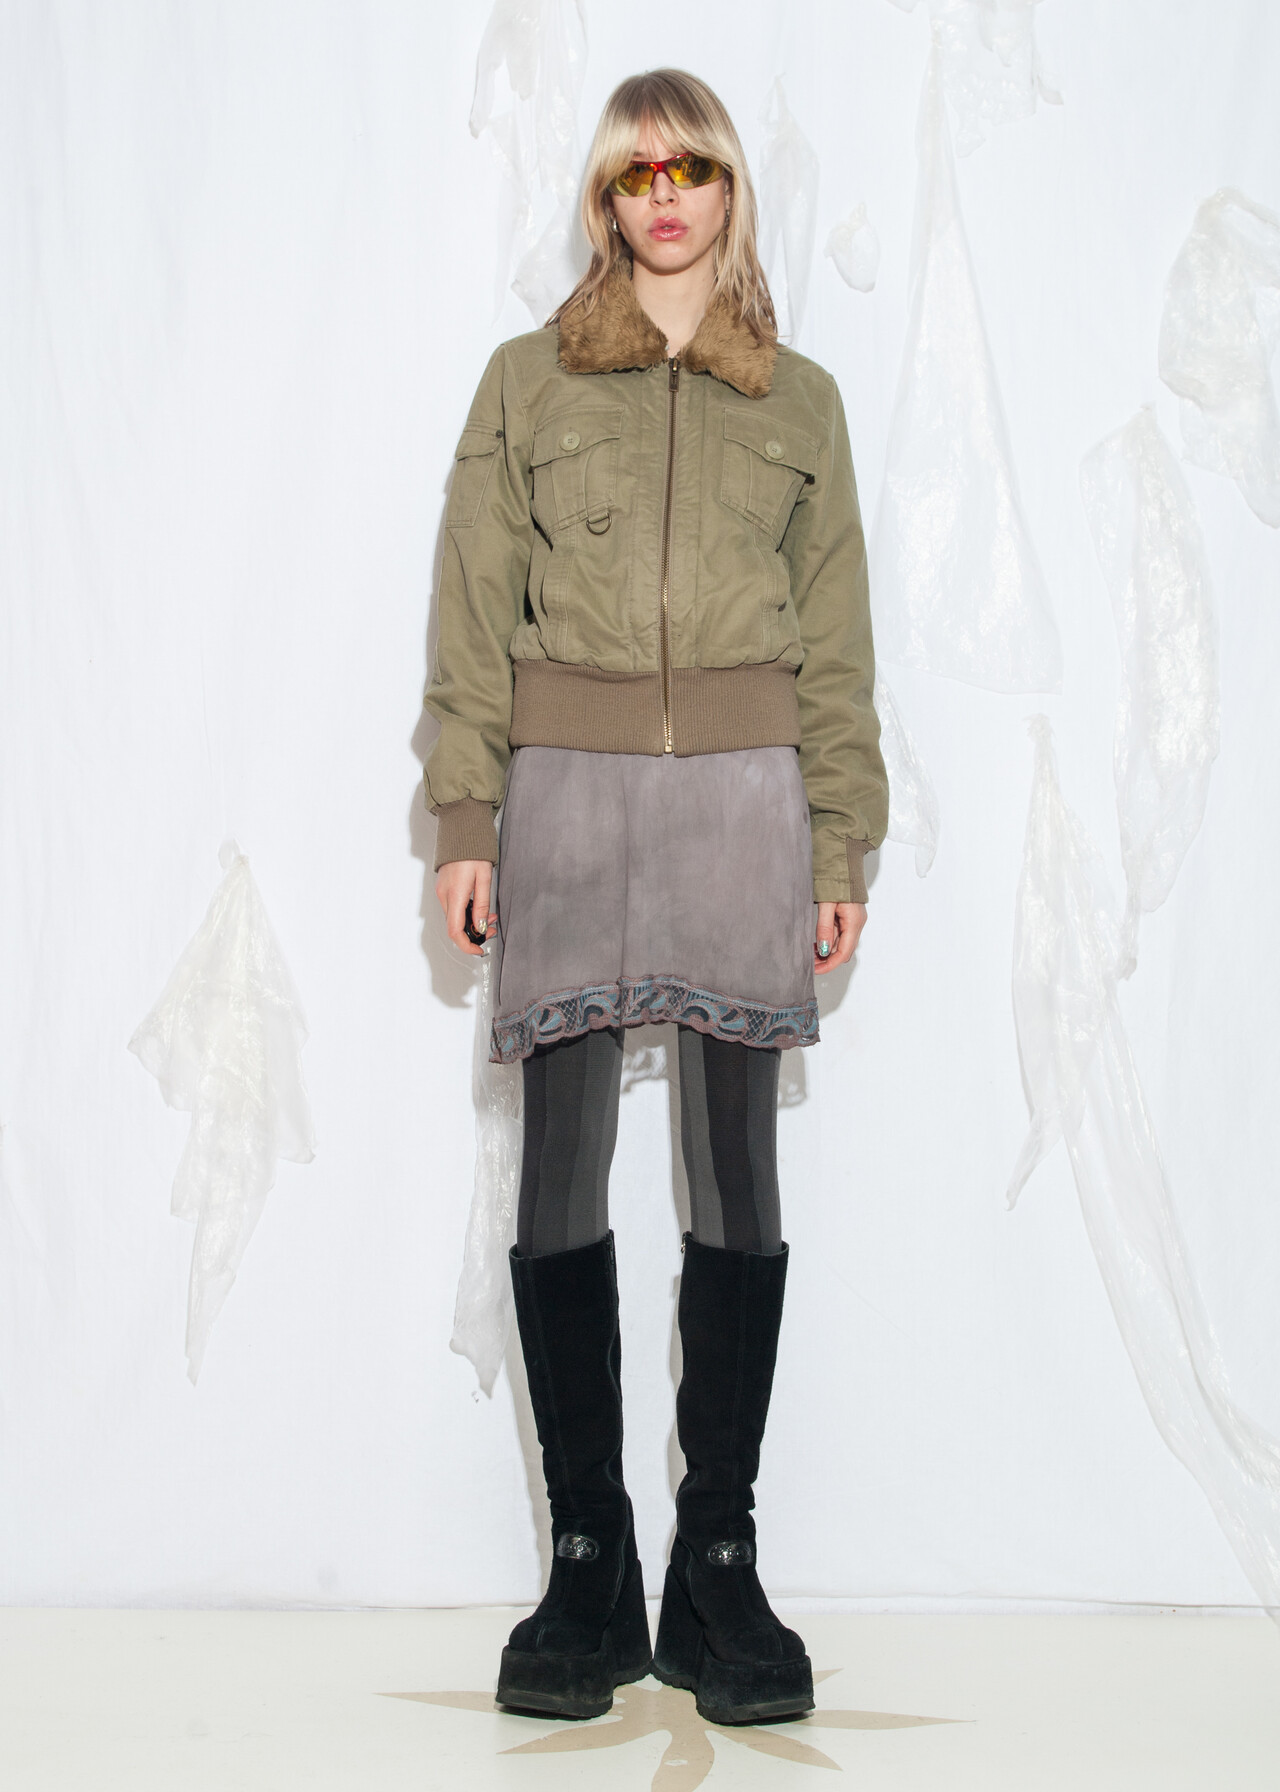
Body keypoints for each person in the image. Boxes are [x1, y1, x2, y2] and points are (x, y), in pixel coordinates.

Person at [423, 67, 888, 1727]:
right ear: (607, 201)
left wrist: (839, 840)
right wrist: (465, 817)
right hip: (568, 798)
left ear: (731, 192)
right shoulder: (528, 380)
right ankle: (587, 1559)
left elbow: (837, 643)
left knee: (736, 1177)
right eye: (637, 172)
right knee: (559, 1170)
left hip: (746, 806)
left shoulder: (803, 401)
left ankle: (717, 1562)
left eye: (692, 168)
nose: (666, 196)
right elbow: (474, 607)